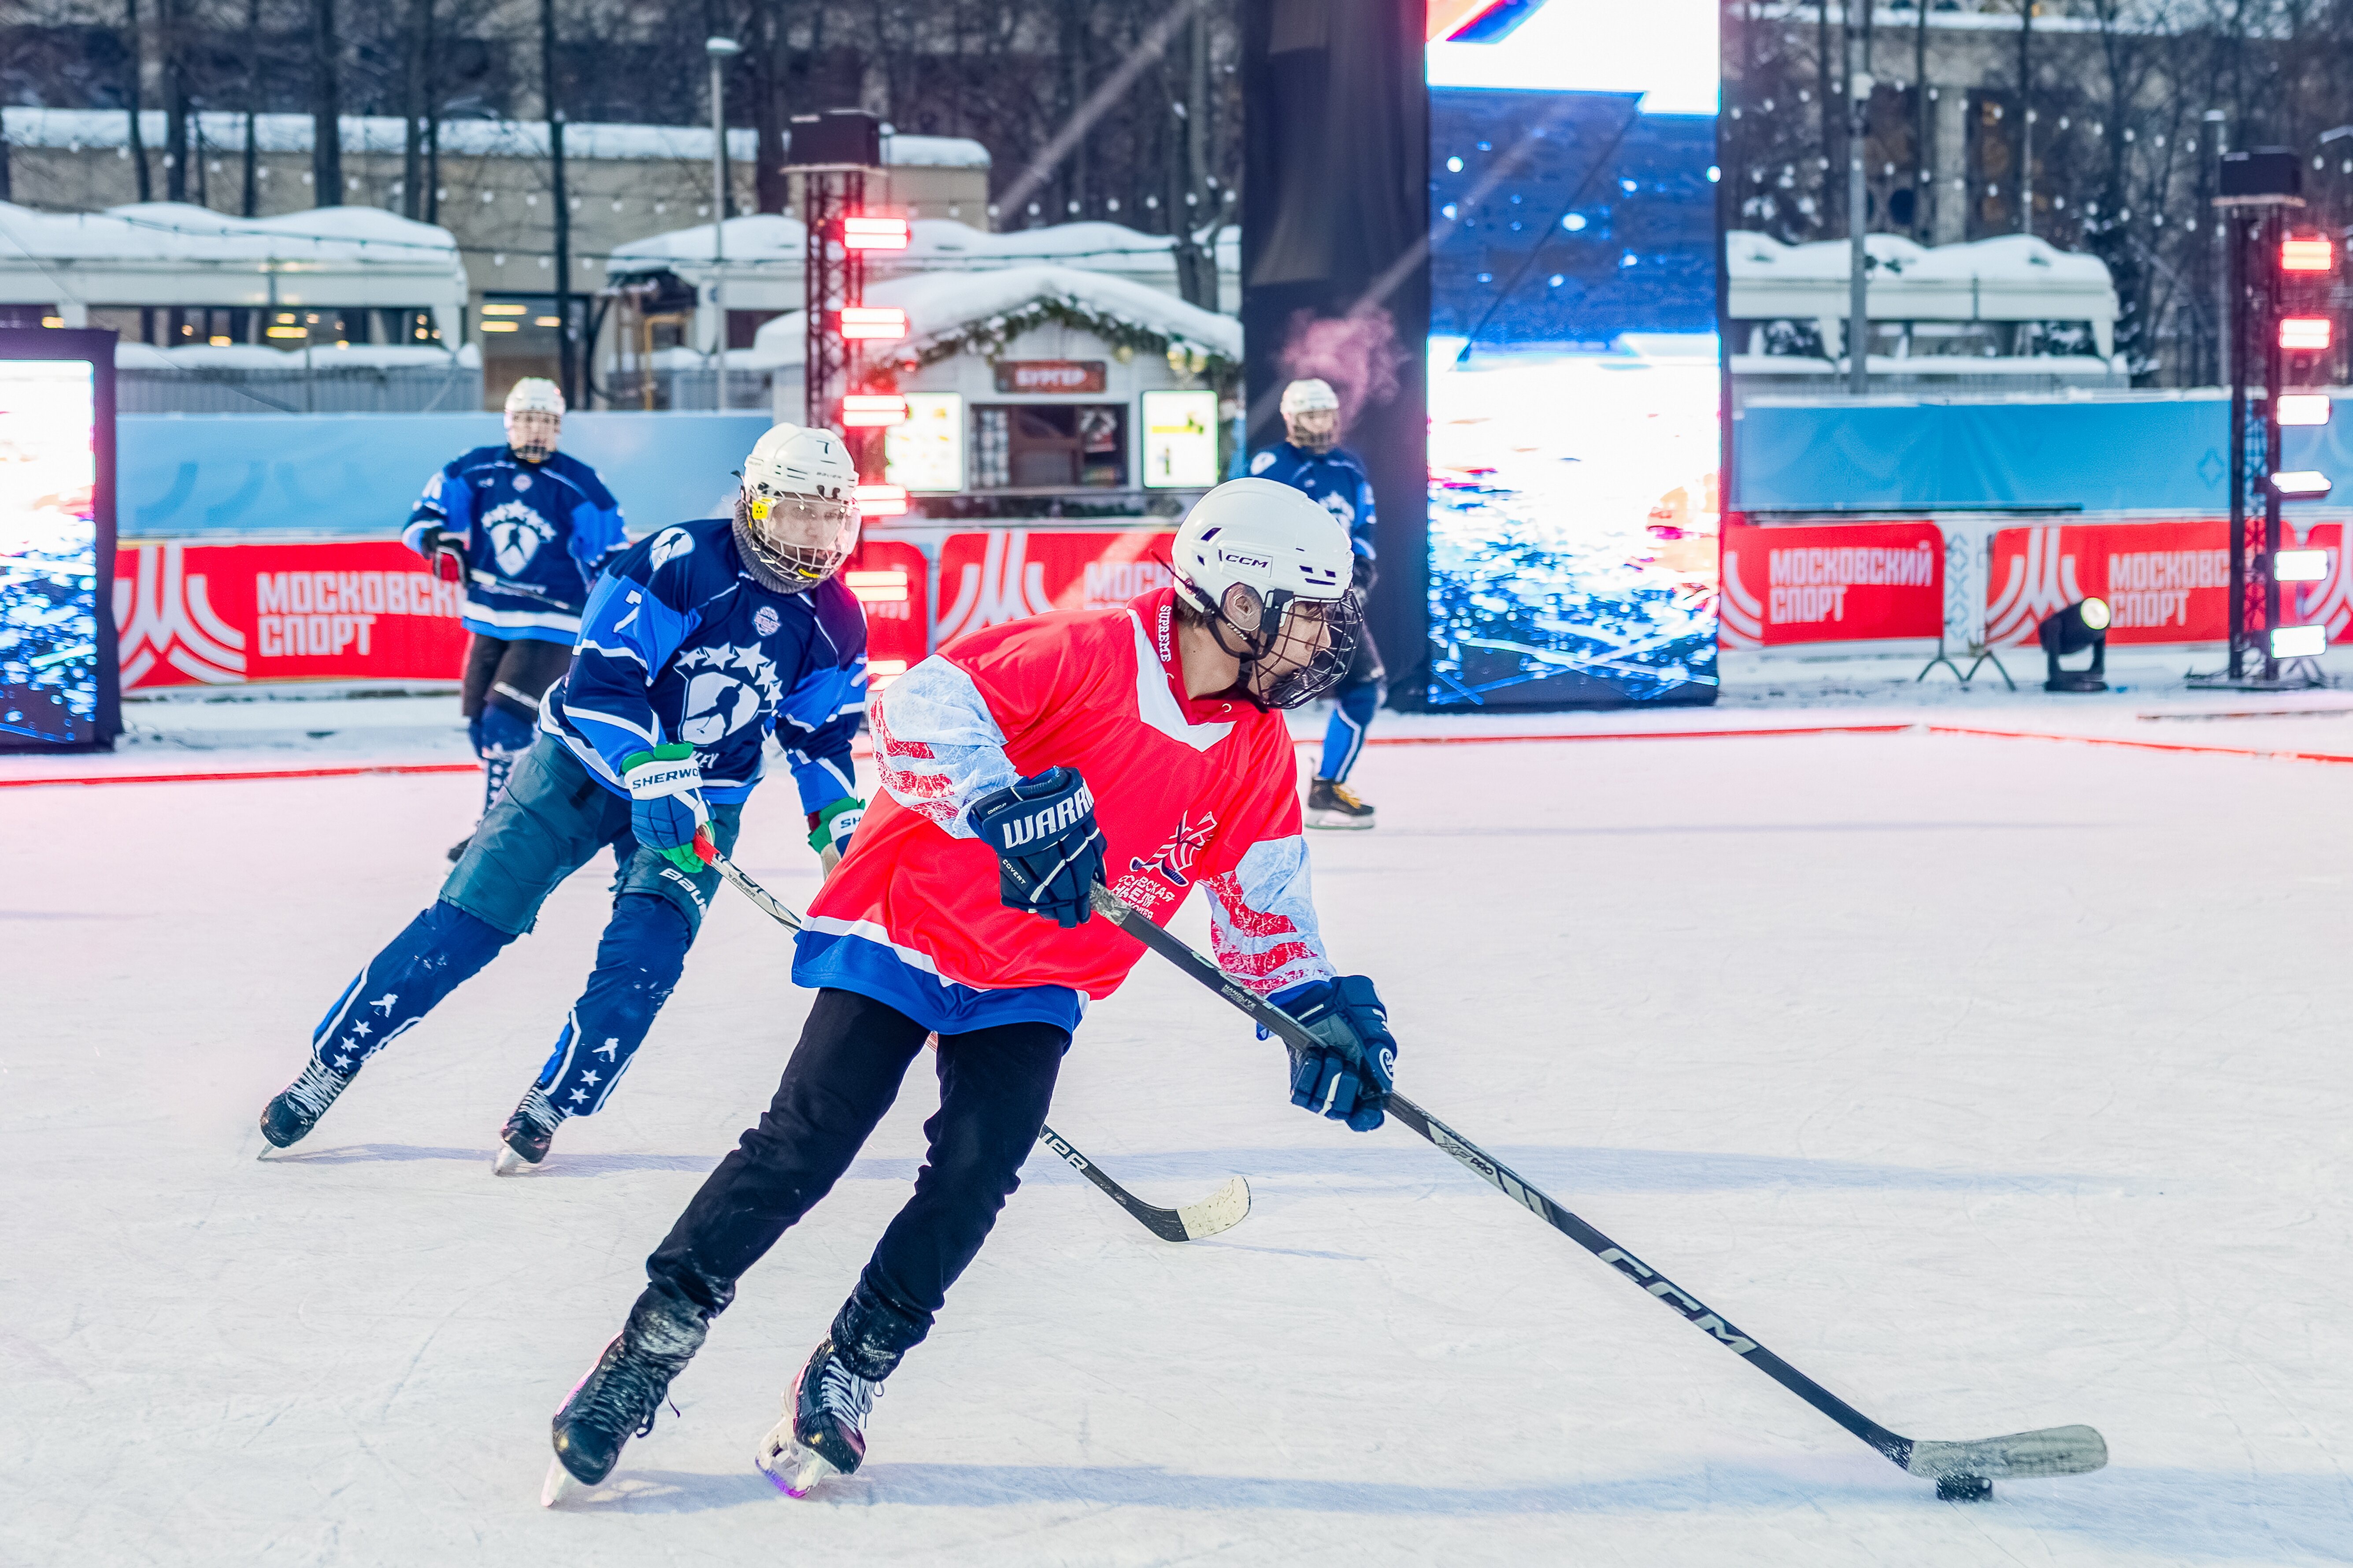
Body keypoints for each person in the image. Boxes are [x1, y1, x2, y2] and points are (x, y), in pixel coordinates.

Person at [542, 477, 1404, 1503]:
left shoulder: (1253, 749)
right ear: (1241, 599)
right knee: (804, 1145)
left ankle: (852, 1365)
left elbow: (1265, 904)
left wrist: (1312, 1006)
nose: (1323, 642)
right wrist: (1000, 801)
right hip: (908, 922)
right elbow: (922, 702)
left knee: (976, 1172)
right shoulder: (1089, 649)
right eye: (1309, 614)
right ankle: (647, 1349)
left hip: (1039, 972)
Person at [259, 424, 871, 1174]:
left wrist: (839, 829)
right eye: (798, 514)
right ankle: (330, 1064)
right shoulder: (679, 561)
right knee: (467, 923)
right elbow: (602, 679)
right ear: (754, 501)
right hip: (577, 770)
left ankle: (552, 1103)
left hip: (702, 804)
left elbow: (820, 736)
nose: (813, 538)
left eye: (830, 518)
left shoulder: (836, 619)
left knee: (646, 962)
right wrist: (651, 769)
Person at [408, 377, 627, 863]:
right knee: (480, 731)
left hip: (551, 625)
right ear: (509, 423)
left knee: (503, 726)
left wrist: (609, 607)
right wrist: (437, 542)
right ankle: (546, 812)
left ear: (558, 428)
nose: (536, 431)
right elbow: (422, 518)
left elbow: (612, 556)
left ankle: (499, 835)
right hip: (487, 618)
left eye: (546, 422)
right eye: (527, 420)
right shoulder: (477, 468)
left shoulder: (580, 484)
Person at [1249, 377, 1384, 831]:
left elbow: (1364, 525)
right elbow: (1251, 528)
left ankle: (1328, 786)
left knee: (1365, 687)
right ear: (1291, 418)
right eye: (1310, 415)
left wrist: (1362, 569)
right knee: (1254, 696)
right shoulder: (1271, 466)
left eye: (1325, 414)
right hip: (1283, 599)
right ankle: (1244, 797)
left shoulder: (1349, 464)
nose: (1319, 423)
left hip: (1337, 597)